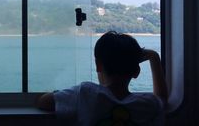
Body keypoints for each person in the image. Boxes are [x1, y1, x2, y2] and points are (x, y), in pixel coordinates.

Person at [37, 31, 168, 125]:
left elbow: (43, 102)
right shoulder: (147, 104)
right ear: (136, 72)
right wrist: (154, 57)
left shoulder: (86, 93)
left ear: (98, 66)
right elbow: (161, 99)